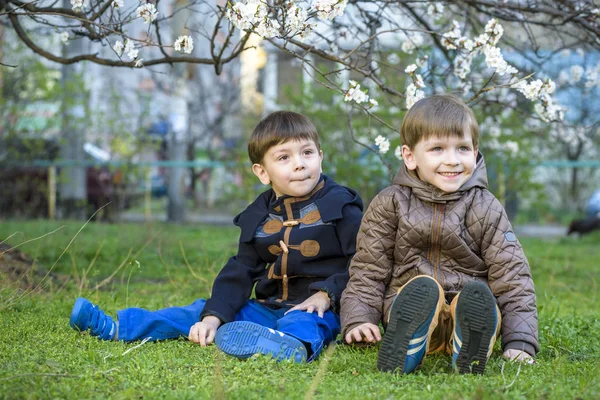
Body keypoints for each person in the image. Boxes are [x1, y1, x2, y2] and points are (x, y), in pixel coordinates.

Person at [70, 111, 363, 363]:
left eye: (307, 153)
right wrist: (213, 316)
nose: (300, 164)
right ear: (262, 172)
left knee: (307, 321)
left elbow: (363, 260)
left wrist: (326, 294)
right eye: (284, 157)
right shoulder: (259, 215)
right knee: (200, 310)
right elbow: (241, 269)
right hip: (268, 309)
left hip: (322, 309)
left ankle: (292, 347)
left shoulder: (340, 205)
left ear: (320, 158)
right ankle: (118, 327)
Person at [340, 94, 539, 375]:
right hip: (407, 302)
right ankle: (414, 340)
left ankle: (467, 338)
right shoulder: (390, 203)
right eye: (437, 149)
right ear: (409, 156)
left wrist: (520, 340)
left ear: (475, 150)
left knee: (476, 301)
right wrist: (359, 319)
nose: (452, 160)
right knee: (417, 298)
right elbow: (369, 269)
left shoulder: (485, 206)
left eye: (462, 148)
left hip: (468, 303)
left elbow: (512, 275)